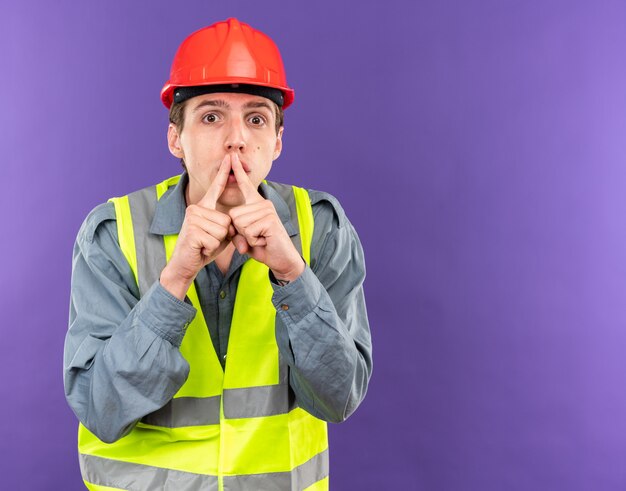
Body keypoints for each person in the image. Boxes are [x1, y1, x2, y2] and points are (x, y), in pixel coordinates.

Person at [64, 18, 372, 491]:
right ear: (175, 140)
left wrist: (293, 274)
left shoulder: (321, 228)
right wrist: (174, 281)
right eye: (211, 117)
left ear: (277, 142)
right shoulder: (113, 233)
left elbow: (339, 398)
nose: (236, 139)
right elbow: (102, 410)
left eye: (256, 118)